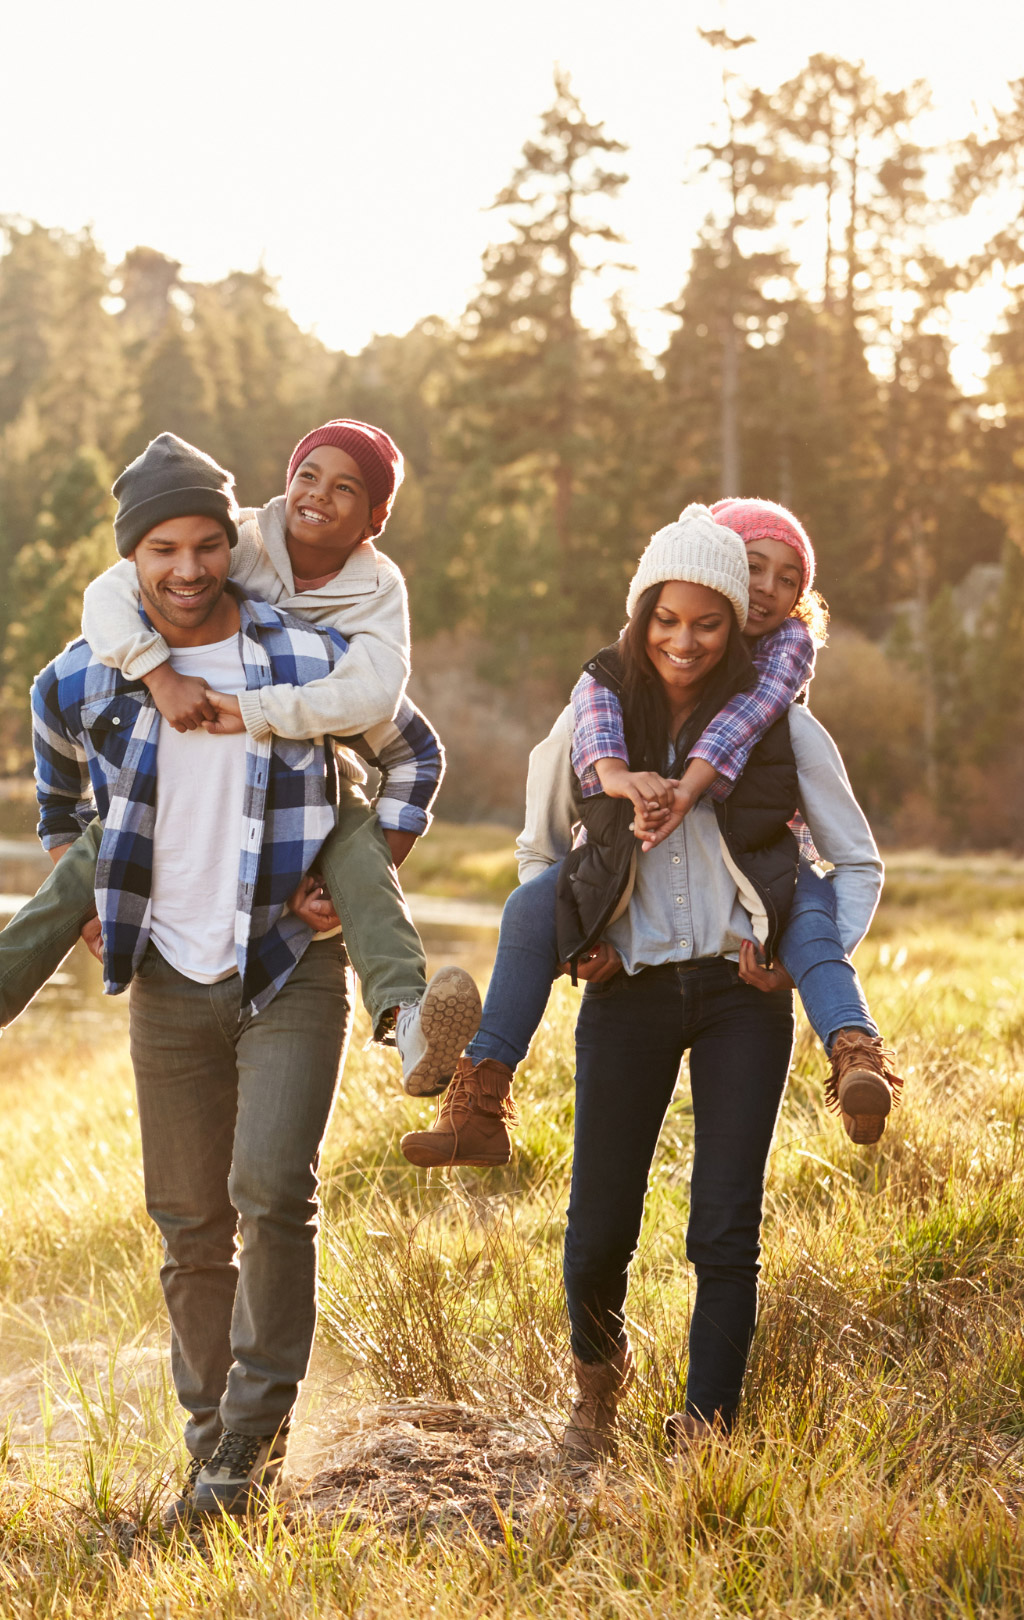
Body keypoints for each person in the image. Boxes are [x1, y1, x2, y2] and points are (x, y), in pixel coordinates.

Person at [0, 440, 441, 1522]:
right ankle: (213, 1450)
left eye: (210, 545)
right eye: (164, 549)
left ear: (233, 546)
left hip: (286, 964)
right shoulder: (88, 670)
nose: (191, 568)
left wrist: (367, 863)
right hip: (166, 971)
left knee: (272, 1194)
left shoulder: (301, 658)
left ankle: (250, 1445)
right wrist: (82, 873)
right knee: (189, 1225)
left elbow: (412, 747)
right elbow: (55, 765)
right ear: (133, 560)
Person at [0, 426, 480, 1100]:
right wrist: (155, 674)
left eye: (345, 487)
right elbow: (109, 597)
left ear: (376, 519)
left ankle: (409, 1021)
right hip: (167, 795)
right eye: (309, 475)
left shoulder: (371, 597)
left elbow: (384, 704)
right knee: (96, 854)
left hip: (317, 781)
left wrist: (352, 867)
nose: (318, 495)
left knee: (356, 845)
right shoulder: (232, 539)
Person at [401, 497, 897, 1170]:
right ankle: (480, 1091)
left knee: (809, 916)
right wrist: (581, 934)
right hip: (626, 928)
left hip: (761, 887)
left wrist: (687, 788)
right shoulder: (608, 687)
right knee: (527, 907)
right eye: (754, 569)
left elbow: (752, 727)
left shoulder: (778, 685)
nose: (770, 591)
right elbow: (551, 815)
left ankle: (855, 1050)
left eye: (789, 580)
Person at [522, 505, 804, 1454]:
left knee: (724, 1226)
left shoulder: (778, 728)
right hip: (628, 990)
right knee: (599, 1223)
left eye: (708, 623)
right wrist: (575, 942)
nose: (684, 642)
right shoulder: (592, 718)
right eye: (665, 621)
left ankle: (709, 1425)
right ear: (640, 619)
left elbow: (855, 862)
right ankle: (597, 1391)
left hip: (741, 997)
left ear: (735, 628)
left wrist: (795, 947)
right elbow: (537, 853)